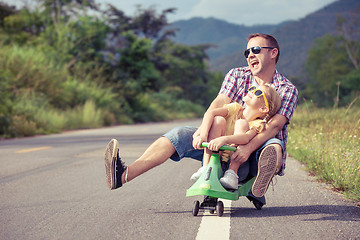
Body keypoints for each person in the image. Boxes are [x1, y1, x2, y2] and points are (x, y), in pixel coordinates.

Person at [104, 33, 298, 203]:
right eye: (247, 52)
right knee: (178, 134)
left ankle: (258, 180)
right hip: (220, 146)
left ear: (273, 53)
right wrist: (203, 131)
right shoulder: (237, 75)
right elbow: (218, 104)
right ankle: (122, 176)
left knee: (273, 144)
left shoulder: (286, 89)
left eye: (255, 50)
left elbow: (274, 126)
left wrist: (246, 148)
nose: (250, 55)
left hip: (252, 154)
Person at [190, 85, 281, 190]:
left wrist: (224, 139)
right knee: (218, 120)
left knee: (241, 123)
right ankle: (206, 168)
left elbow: (246, 138)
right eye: (252, 88)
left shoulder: (258, 124)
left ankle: (232, 174)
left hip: (237, 165)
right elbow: (210, 113)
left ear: (263, 108)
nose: (252, 91)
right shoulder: (235, 108)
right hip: (216, 161)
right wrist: (203, 136)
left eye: (257, 93)